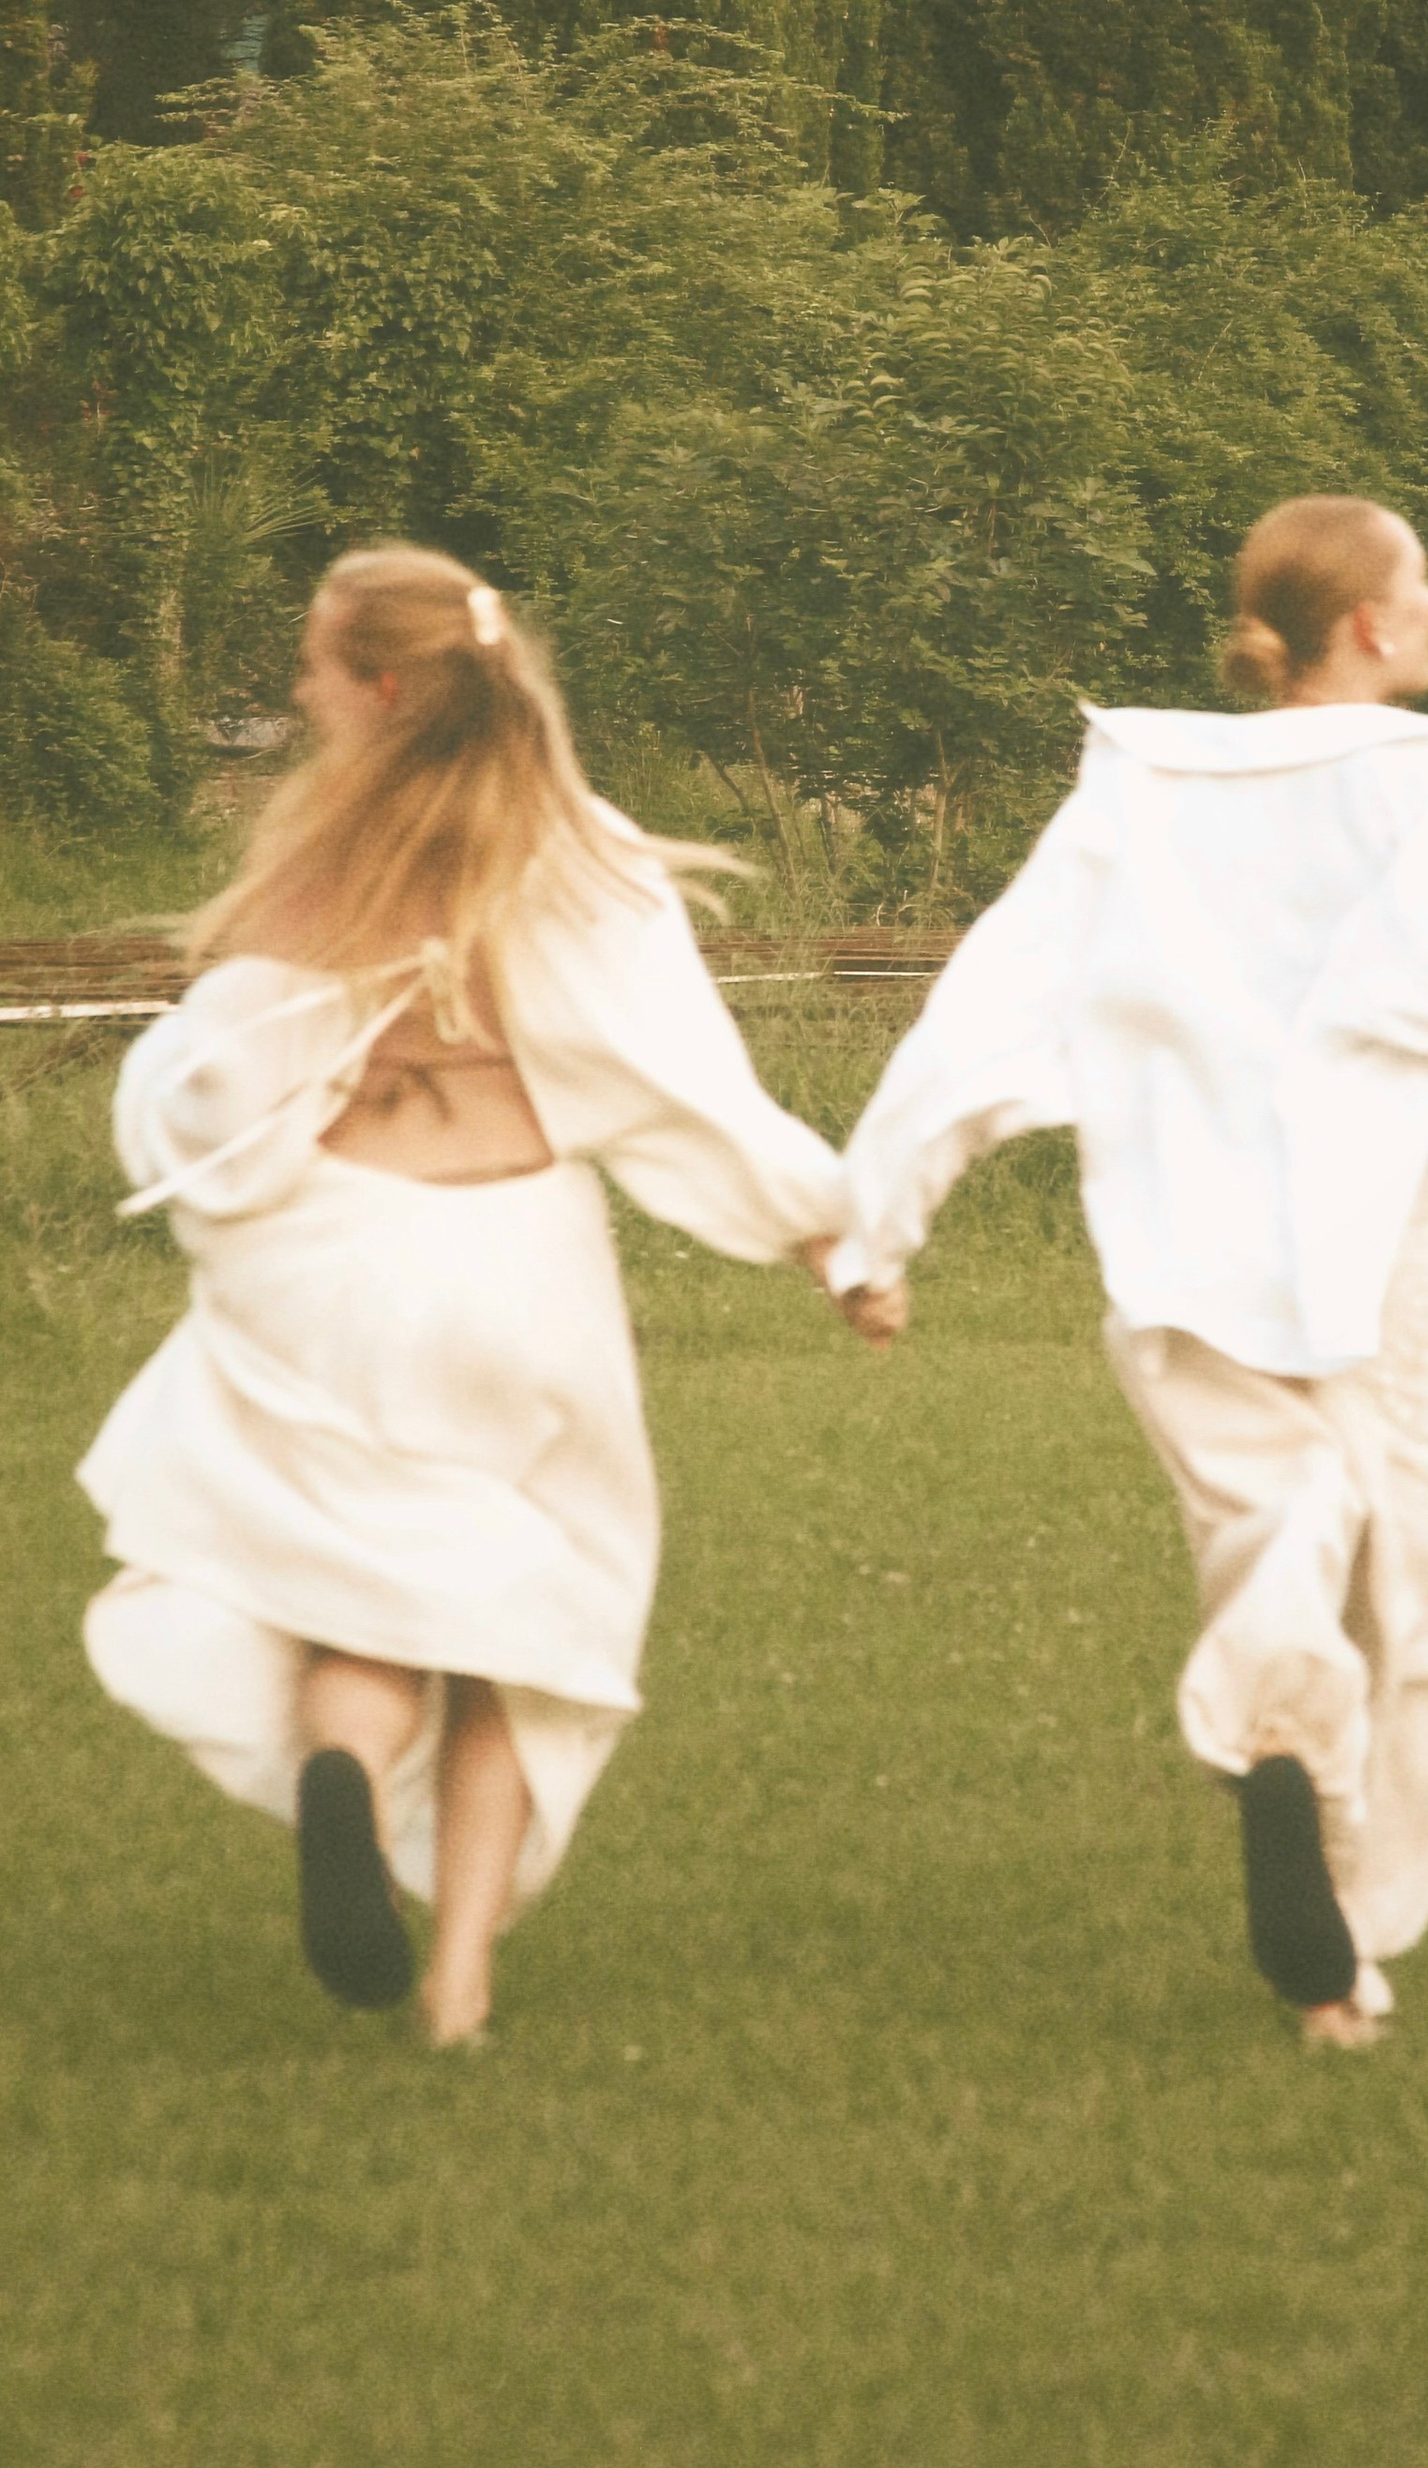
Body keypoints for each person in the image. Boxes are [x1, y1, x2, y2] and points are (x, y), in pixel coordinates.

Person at [824, 497, 1428, 2048]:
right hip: (1397, 1232)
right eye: (1422, 582)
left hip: (1194, 1237)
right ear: (1368, 623)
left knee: (1279, 1528)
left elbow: (993, 1003)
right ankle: (1353, 1947)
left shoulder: (1138, 786)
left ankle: (1289, 1749)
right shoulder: (1424, 784)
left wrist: (876, 1229)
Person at [79, 545, 893, 2049]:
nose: (298, 690)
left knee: (362, 1594)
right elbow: (690, 1088)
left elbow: (217, 1081)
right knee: (522, 1614)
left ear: (380, 688)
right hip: (515, 1267)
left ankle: (342, 1761)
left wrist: (174, 1133)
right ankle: (456, 1983)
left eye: (313, 665)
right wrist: (833, 1240)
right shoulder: (578, 857)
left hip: (332, 1268)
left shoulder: (317, 864)